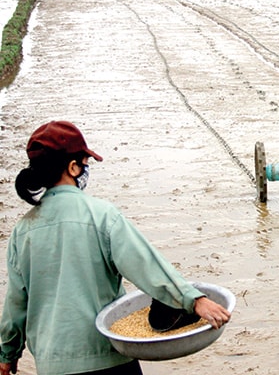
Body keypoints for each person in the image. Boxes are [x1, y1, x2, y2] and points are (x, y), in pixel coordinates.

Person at [0, 121, 231, 375]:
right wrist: (193, 300)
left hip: (52, 364)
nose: (86, 169)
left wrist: (7, 354)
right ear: (73, 167)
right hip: (109, 361)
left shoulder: (23, 231)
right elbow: (145, 265)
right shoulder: (102, 217)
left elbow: (16, 304)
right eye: (85, 163)